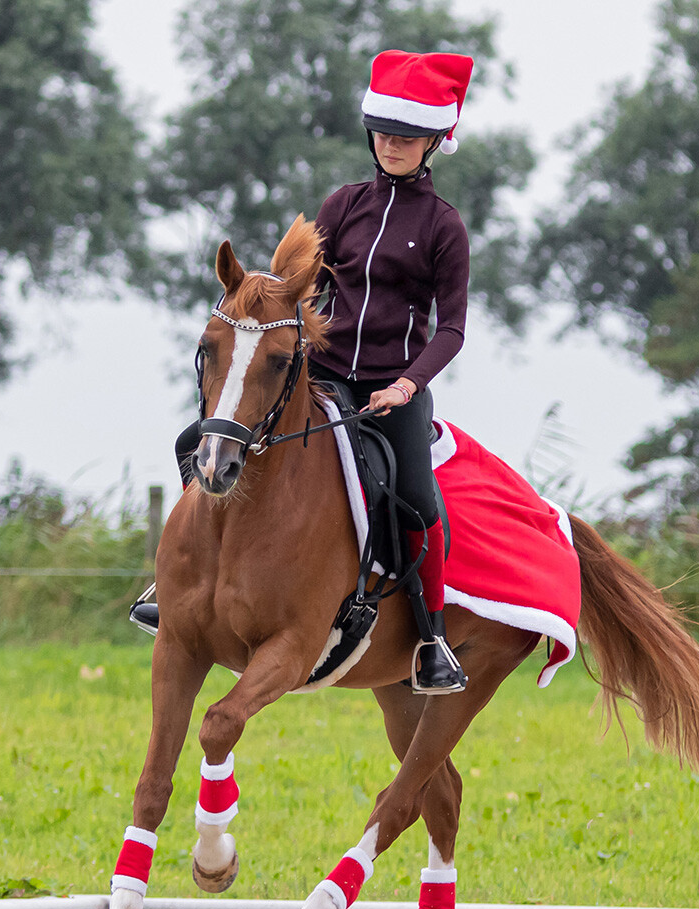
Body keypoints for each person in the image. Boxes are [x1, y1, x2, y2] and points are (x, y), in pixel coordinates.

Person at [132, 49, 474, 695]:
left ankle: (431, 640)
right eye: (384, 132)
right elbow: (296, 289)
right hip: (320, 373)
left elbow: (453, 328)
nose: (392, 144)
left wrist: (408, 384)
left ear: (434, 141)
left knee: (419, 499)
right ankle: (175, 582)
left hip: (394, 390)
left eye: (407, 136)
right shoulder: (343, 204)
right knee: (196, 440)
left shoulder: (443, 227)